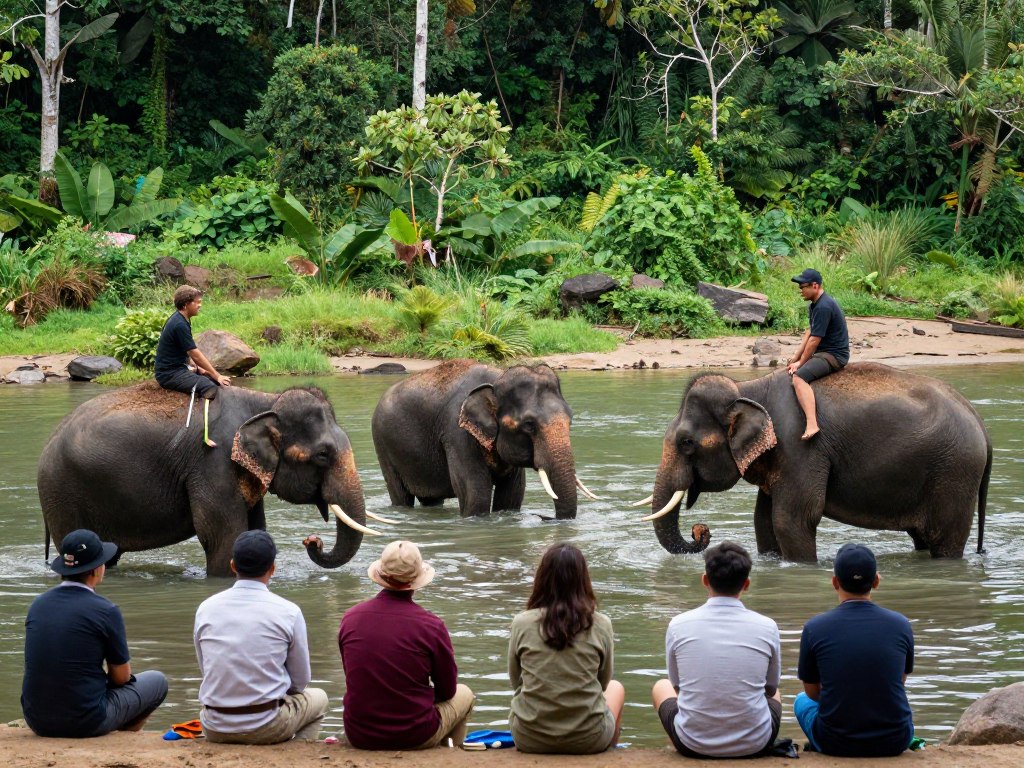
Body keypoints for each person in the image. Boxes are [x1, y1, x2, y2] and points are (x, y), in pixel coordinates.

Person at [21, 529, 168, 737]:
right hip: (86, 721)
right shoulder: (106, 610)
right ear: (97, 569)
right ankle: (126, 734)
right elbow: (122, 677)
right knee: (158, 681)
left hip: (37, 720)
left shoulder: (37, 605)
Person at [193, 530, 329, 744]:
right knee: (319, 698)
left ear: (232, 566)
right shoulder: (289, 612)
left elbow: (206, 669)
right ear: (272, 569)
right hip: (267, 726)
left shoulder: (205, 608)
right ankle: (298, 751)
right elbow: (300, 681)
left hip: (214, 726)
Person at [338, 540, 475, 750]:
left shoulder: (350, 618)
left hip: (359, 733)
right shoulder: (432, 625)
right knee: (465, 693)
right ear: (415, 580)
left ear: (381, 575)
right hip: (414, 734)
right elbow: (447, 691)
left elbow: (354, 676)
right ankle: (451, 753)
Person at [653, 541, 781, 759]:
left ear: (705, 580)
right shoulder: (768, 626)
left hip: (692, 744)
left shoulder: (678, 625)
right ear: (746, 584)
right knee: (776, 693)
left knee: (661, 686)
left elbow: (677, 686)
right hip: (755, 744)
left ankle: (679, 743)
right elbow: (770, 689)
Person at [795, 543, 915, 757]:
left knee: (801, 700)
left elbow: (812, 692)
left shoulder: (814, 628)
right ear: (876, 581)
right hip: (896, 739)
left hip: (835, 743)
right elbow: (899, 680)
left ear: (834, 582)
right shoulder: (901, 624)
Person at [507, 542, 625, 754]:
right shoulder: (601, 623)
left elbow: (516, 681)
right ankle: (610, 750)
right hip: (590, 739)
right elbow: (604, 682)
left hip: (529, 738)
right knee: (616, 687)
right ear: (583, 580)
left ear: (542, 578)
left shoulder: (521, 622)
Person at [154, 284, 231, 446]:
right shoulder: (179, 324)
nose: (200, 305)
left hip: (178, 367)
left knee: (210, 379)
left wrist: (198, 368)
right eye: (197, 302)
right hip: (170, 373)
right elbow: (194, 353)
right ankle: (204, 435)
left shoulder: (181, 319)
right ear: (185, 304)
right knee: (210, 386)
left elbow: (183, 350)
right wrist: (216, 375)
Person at [786, 268, 850, 440]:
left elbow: (815, 340)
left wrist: (800, 364)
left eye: (803, 287)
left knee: (799, 378)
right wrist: (796, 356)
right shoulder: (814, 305)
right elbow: (810, 332)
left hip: (833, 355)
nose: (801, 290)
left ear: (815, 286)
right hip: (823, 352)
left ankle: (812, 424)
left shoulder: (824, 306)